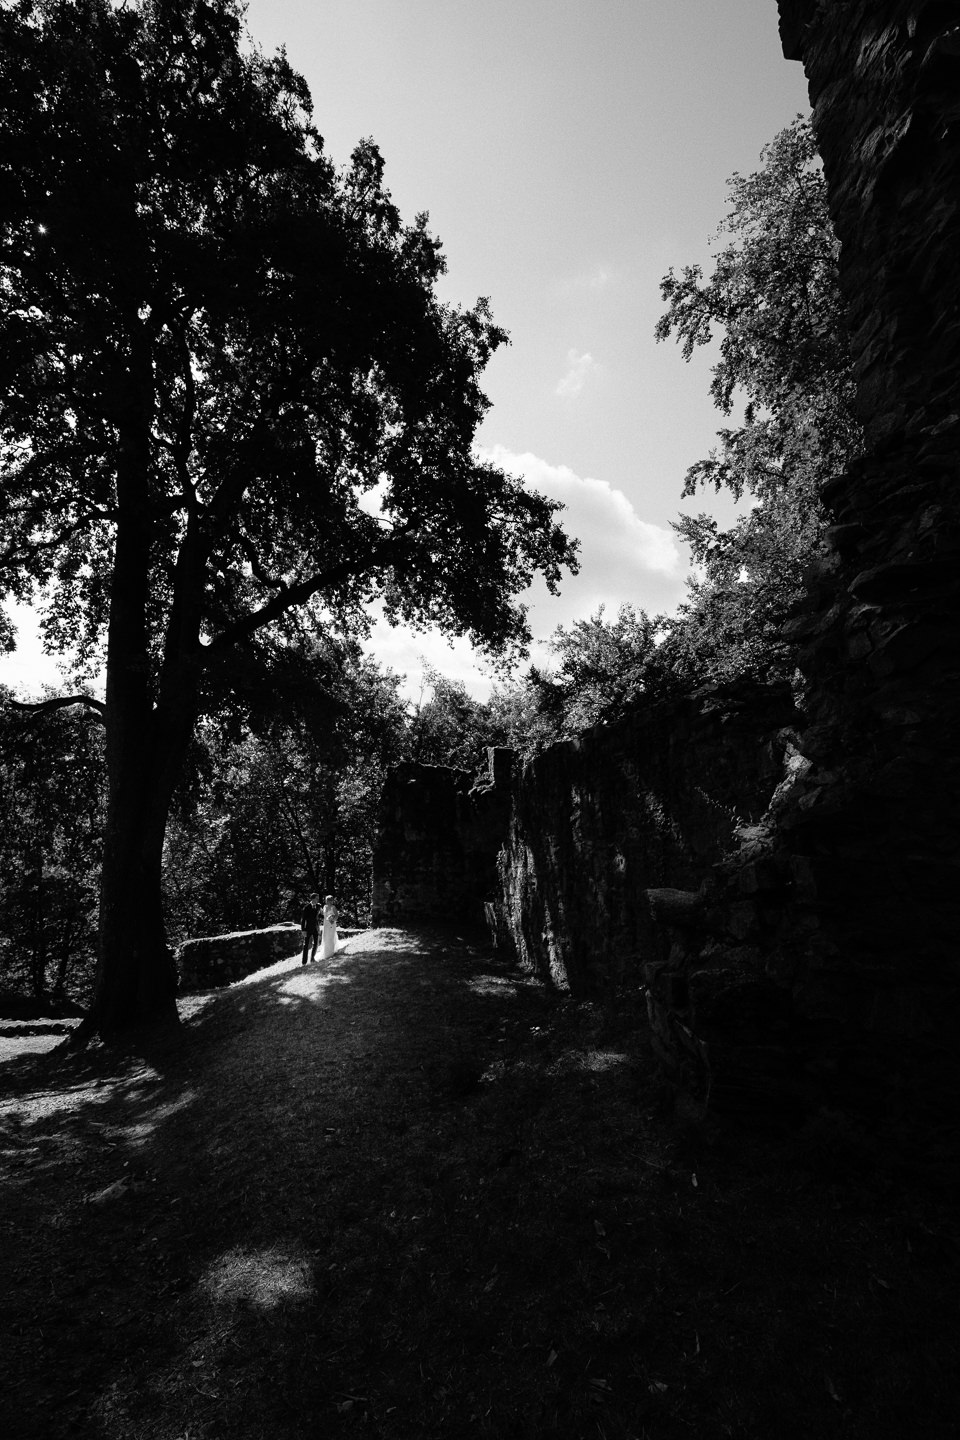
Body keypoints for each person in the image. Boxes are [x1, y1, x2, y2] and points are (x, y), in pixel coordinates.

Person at [300, 895, 320, 965]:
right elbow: (303, 920)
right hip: (308, 929)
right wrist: (303, 930)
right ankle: (304, 962)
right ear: (312, 899)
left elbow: (318, 917)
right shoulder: (306, 907)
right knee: (306, 945)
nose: (318, 900)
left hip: (316, 928)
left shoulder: (318, 906)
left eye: (318, 898)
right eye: (317, 898)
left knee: (316, 944)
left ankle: (312, 958)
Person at [319, 894, 339, 960]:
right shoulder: (324, 906)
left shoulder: (333, 907)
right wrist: (320, 910)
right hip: (325, 924)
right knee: (325, 936)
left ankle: (331, 952)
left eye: (330, 900)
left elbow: (336, 916)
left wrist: (333, 919)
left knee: (330, 936)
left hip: (331, 924)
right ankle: (326, 951)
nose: (328, 902)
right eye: (327, 900)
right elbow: (323, 914)